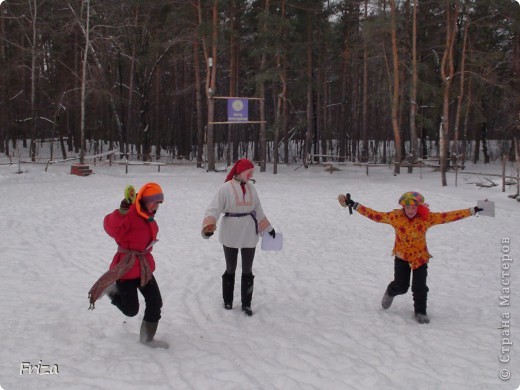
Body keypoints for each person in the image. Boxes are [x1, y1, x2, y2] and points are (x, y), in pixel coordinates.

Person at [338, 191, 482, 324]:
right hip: (402, 257)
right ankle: (390, 291)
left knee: (419, 287)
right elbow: (375, 215)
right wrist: (355, 205)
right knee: (401, 286)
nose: (411, 210)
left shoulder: (426, 218)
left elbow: (448, 216)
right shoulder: (395, 217)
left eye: (414, 207)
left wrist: (472, 210)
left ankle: (420, 312)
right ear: (403, 207)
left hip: (420, 258)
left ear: (418, 207)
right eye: (408, 208)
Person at [88, 182, 169, 348]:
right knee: (131, 310)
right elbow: (110, 227)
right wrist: (121, 213)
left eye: (158, 203)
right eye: (153, 202)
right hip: (126, 268)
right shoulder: (129, 214)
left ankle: (147, 339)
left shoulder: (149, 215)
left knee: (155, 303)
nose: (155, 206)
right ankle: (111, 290)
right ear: (143, 200)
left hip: (143, 267)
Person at [201, 158, 275, 316]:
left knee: (247, 269)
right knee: (230, 268)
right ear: (240, 172)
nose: (251, 175)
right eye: (249, 172)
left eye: (252, 173)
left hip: (249, 232)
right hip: (230, 233)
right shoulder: (225, 189)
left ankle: (246, 304)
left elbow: (258, 211)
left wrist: (269, 229)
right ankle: (228, 300)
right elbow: (214, 208)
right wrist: (209, 225)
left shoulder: (252, 189)